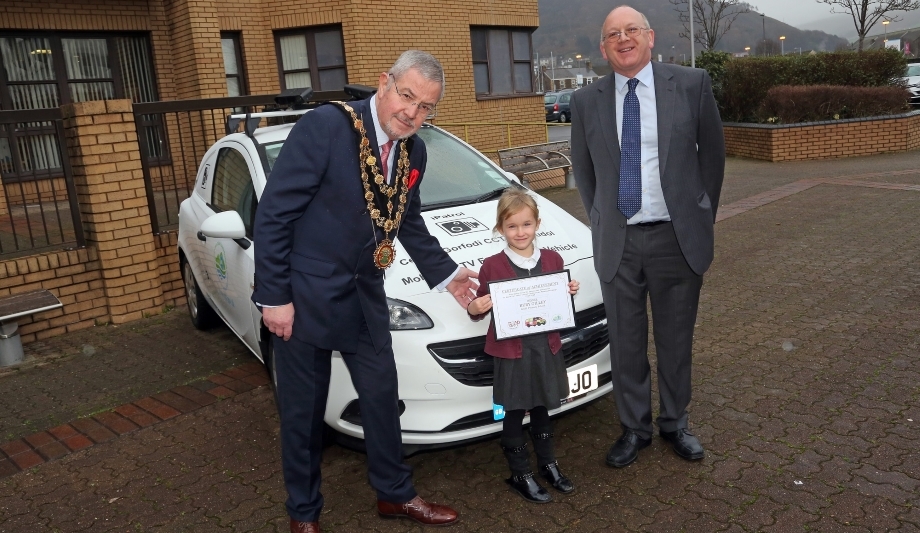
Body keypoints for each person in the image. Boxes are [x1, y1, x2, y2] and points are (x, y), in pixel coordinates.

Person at [252, 50, 478, 533]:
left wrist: (448, 274)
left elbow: (407, 221)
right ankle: (304, 515)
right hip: (304, 297)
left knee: (381, 396)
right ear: (385, 83)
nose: (412, 113)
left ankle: (395, 495)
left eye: (425, 108)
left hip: (364, 295)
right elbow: (274, 214)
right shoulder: (327, 127)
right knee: (302, 414)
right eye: (407, 96)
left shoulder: (414, 150)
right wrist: (274, 298)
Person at [569, 5, 725, 468]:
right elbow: (585, 170)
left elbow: (712, 159)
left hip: (677, 240)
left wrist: (698, 217)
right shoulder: (585, 101)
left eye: (631, 30)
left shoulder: (692, 85)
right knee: (626, 342)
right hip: (619, 243)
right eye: (613, 34)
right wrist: (605, 219)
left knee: (676, 340)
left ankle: (676, 422)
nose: (623, 39)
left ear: (650, 37)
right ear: (603, 47)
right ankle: (634, 428)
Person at [467, 189, 580, 503]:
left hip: (546, 347)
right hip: (512, 352)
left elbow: (557, 304)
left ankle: (548, 464)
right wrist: (475, 308)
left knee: (543, 406)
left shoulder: (554, 259)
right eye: (512, 226)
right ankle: (520, 473)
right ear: (501, 229)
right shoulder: (491, 266)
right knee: (514, 411)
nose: (520, 232)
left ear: (537, 224)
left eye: (526, 224)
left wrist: (568, 291)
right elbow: (480, 305)